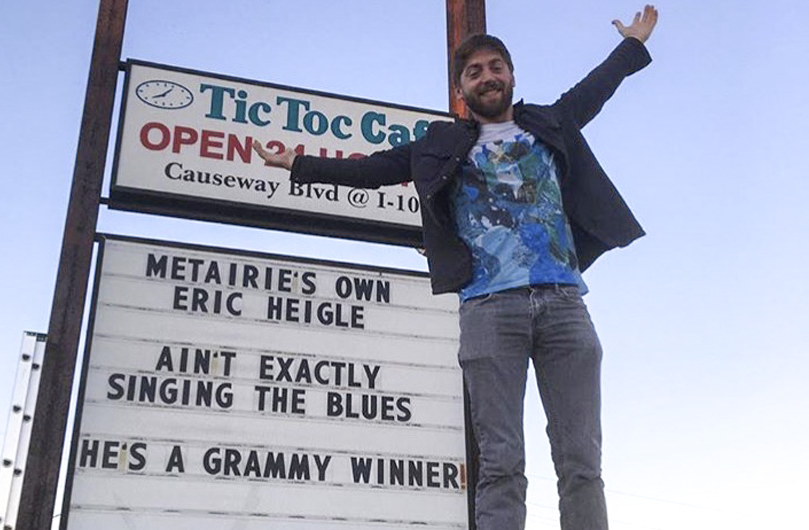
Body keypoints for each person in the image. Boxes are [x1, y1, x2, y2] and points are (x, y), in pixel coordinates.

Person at [253, 5, 658, 529]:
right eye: (474, 72)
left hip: (564, 305)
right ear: (461, 91)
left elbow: (596, 88)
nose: (487, 76)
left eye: (496, 67)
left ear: (511, 76)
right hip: (489, 310)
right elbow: (375, 170)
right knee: (501, 463)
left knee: (581, 463)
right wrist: (299, 165)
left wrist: (632, 45)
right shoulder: (439, 147)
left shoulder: (548, 122)